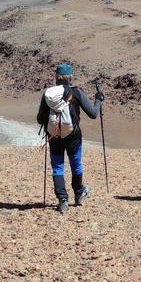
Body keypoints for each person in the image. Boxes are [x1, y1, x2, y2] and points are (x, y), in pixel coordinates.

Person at [36, 63, 103, 213]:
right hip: (73, 136)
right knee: (76, 164)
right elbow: (93, 114)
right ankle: (79, 192)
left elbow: (40, 119)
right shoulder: (76, 92)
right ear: (70, 77)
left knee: (58, 167)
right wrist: (98, 100)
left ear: (56, 77)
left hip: (54, 136)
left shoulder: (48, 94)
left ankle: (63, 200)